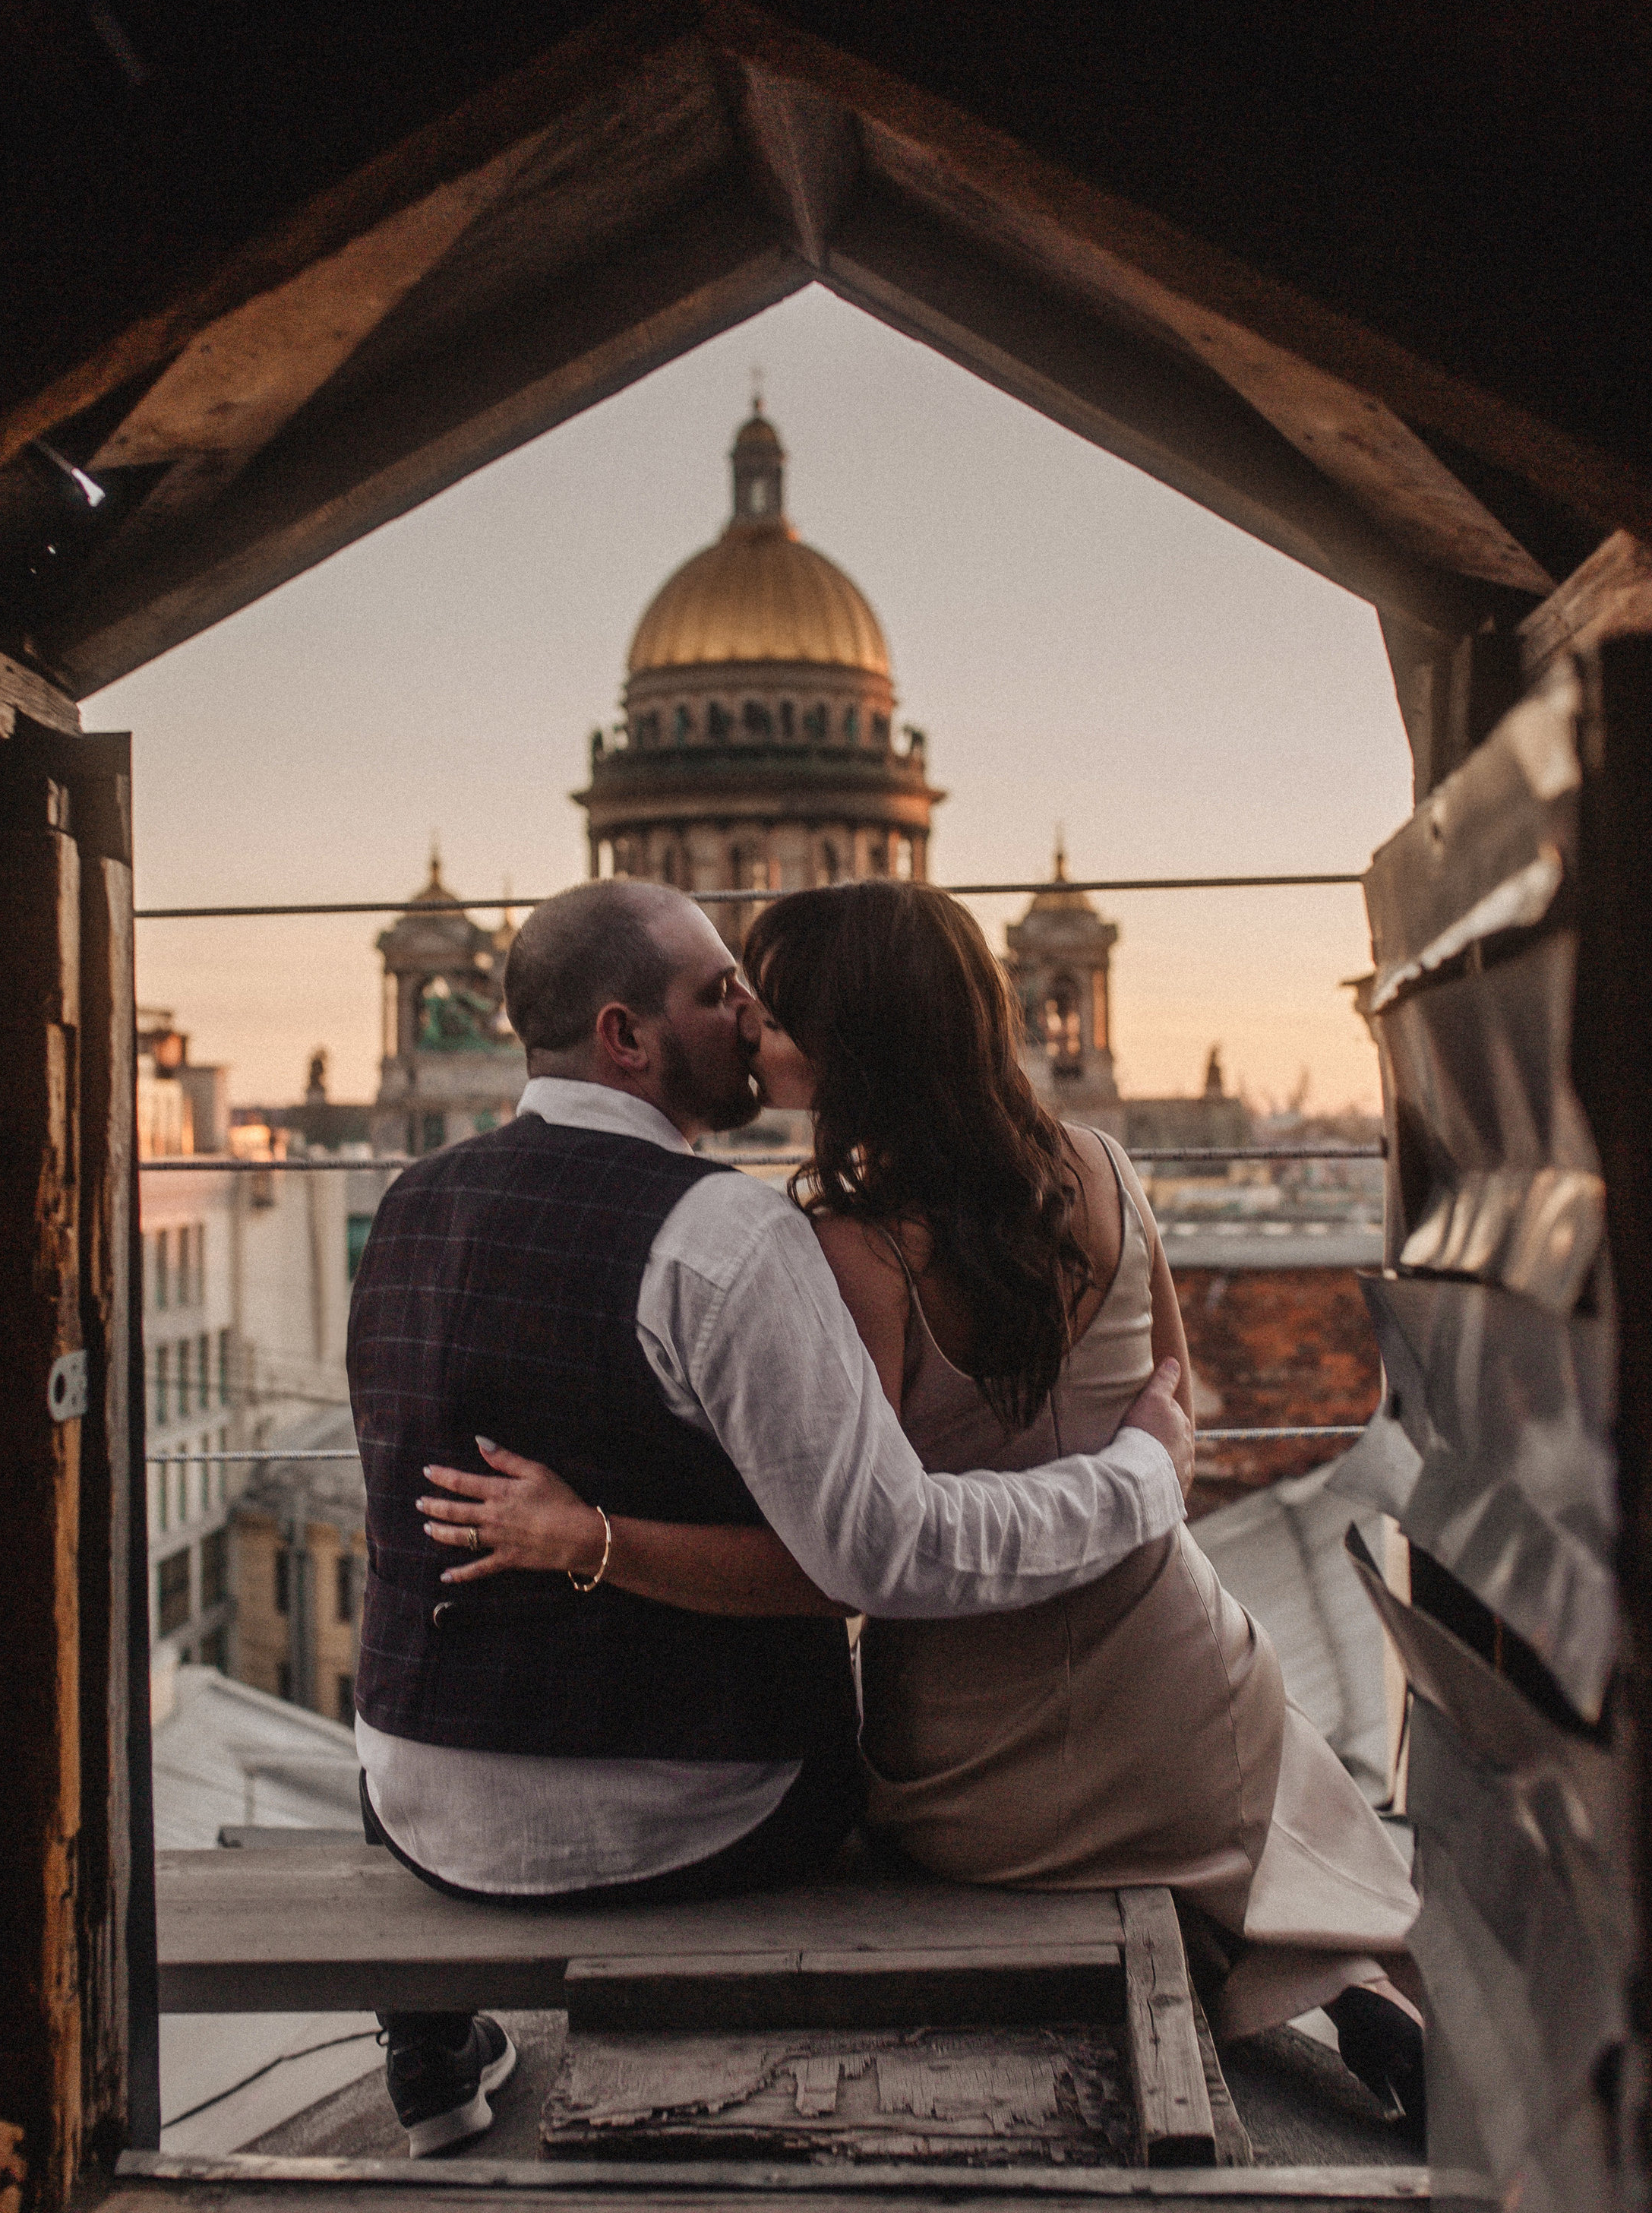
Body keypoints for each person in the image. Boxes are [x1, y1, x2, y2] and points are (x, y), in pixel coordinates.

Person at [425, 881, 1424, 2126]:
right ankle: (1347, 1981)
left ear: (851, 1047)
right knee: (1240, 1783)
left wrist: (593, 1541)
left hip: (973, 1769)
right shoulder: (1107, 1168)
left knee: (993, 1836)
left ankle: (1315, 1981)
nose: (745, 1025)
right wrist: (1132, 1471)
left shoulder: (847, 1248)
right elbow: (1173, 1403)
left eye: (770, 1007)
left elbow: (839, 1555)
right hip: (1187, 1689)